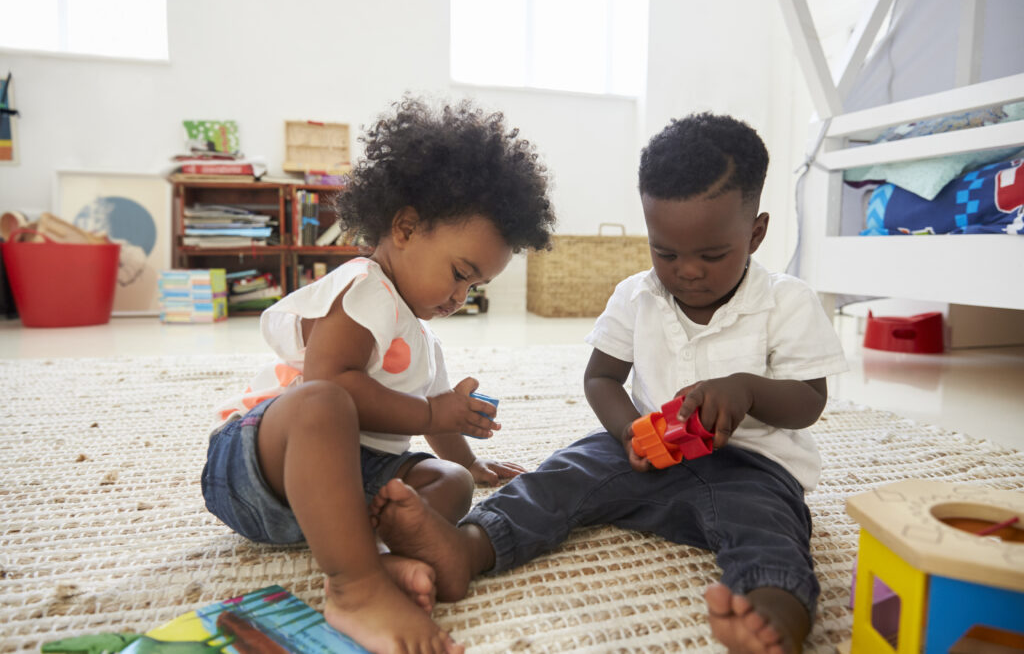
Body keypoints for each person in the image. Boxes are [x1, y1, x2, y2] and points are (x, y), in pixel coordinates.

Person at [369, 112, 848, 654]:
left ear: (756, 233)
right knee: (561, 475)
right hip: (643, 455)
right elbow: (601, 377)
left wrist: (748, 389)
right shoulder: (636, 295)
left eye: (712, 255)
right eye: (665, 252)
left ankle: (772, 618)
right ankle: (468, 547)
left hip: (752, 470)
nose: (687, 270)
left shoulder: (787, 301)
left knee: (773, 531)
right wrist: (627, 433)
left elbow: (810, 401)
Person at [201, 95, 555, 654]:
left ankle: (381, 557)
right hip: (262, 468)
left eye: (474, 289)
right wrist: (432, 412)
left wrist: (467, 459)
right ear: (406, 226)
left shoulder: (423, 339)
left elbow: (437, 417)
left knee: (450, 484)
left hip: (349, 485)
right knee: (324, 405)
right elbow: (330, 380)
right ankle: (356, 588)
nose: (460, 298)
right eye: (460, 275)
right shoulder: (364, 287)